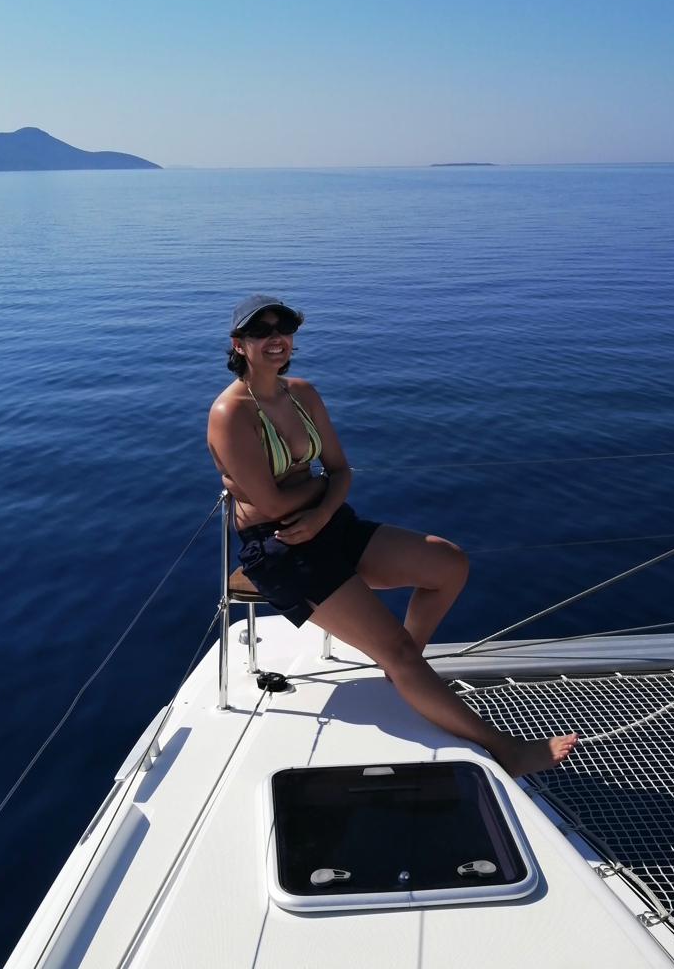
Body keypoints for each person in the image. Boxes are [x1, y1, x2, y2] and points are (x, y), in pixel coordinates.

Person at [207, 294, 576, 777]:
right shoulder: (230, 413)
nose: (276, 338)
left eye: (284, 328)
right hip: (281, 546)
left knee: (448, 564)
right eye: (261, 332)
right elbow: (273, 507)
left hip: (327, 524)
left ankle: (404, 667)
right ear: (239, 345)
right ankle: (504, 747)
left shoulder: (303, 393)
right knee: (394, 648)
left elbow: (339, 470)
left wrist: (320, 500)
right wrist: (319, 490)